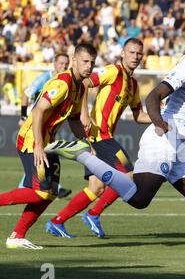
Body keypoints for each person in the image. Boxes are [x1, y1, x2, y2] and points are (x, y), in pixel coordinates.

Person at [44, 5, 185, 276]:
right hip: (164, 140)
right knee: (138, 199)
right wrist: (158, 121)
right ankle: (81, 152)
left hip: (177, 147)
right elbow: (153, 96)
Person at [46, 38, 151, 238]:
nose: (135, 57)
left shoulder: (134, 85)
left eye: (139, 53)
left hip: (103, 138)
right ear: (122, 53)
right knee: (129, 178)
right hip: (99, 136)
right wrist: (84, 113)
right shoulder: (112, 71)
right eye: (131, 52)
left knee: (96, 187)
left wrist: (159, 118)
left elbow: (138, 116)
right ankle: (93, 214)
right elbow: (85, 83)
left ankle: (56, 221)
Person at [0, 43, 97, 249]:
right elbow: (37, 112)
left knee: (51, 191)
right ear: (75, 61)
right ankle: (16, 235)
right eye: (85, 61)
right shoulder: (62, 84)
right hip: (32, 141)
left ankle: (17, 236)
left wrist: (87, 143)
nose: (89, 66)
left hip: (48, 143)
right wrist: (38, 145)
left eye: (92, 62)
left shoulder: (79, 87)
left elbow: (73, 120)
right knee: (41, 192)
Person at [18, 53, 72, 199]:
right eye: (61, 63)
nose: (64, 66)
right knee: (38, 159)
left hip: (47, 131)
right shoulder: (45, 78)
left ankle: (48, 187)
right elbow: (26, 94)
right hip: (34, 126)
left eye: (66, 63)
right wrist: (23, 116)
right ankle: (49, 188)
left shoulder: (67, 82)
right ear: (54, 63)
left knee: (41, 161)